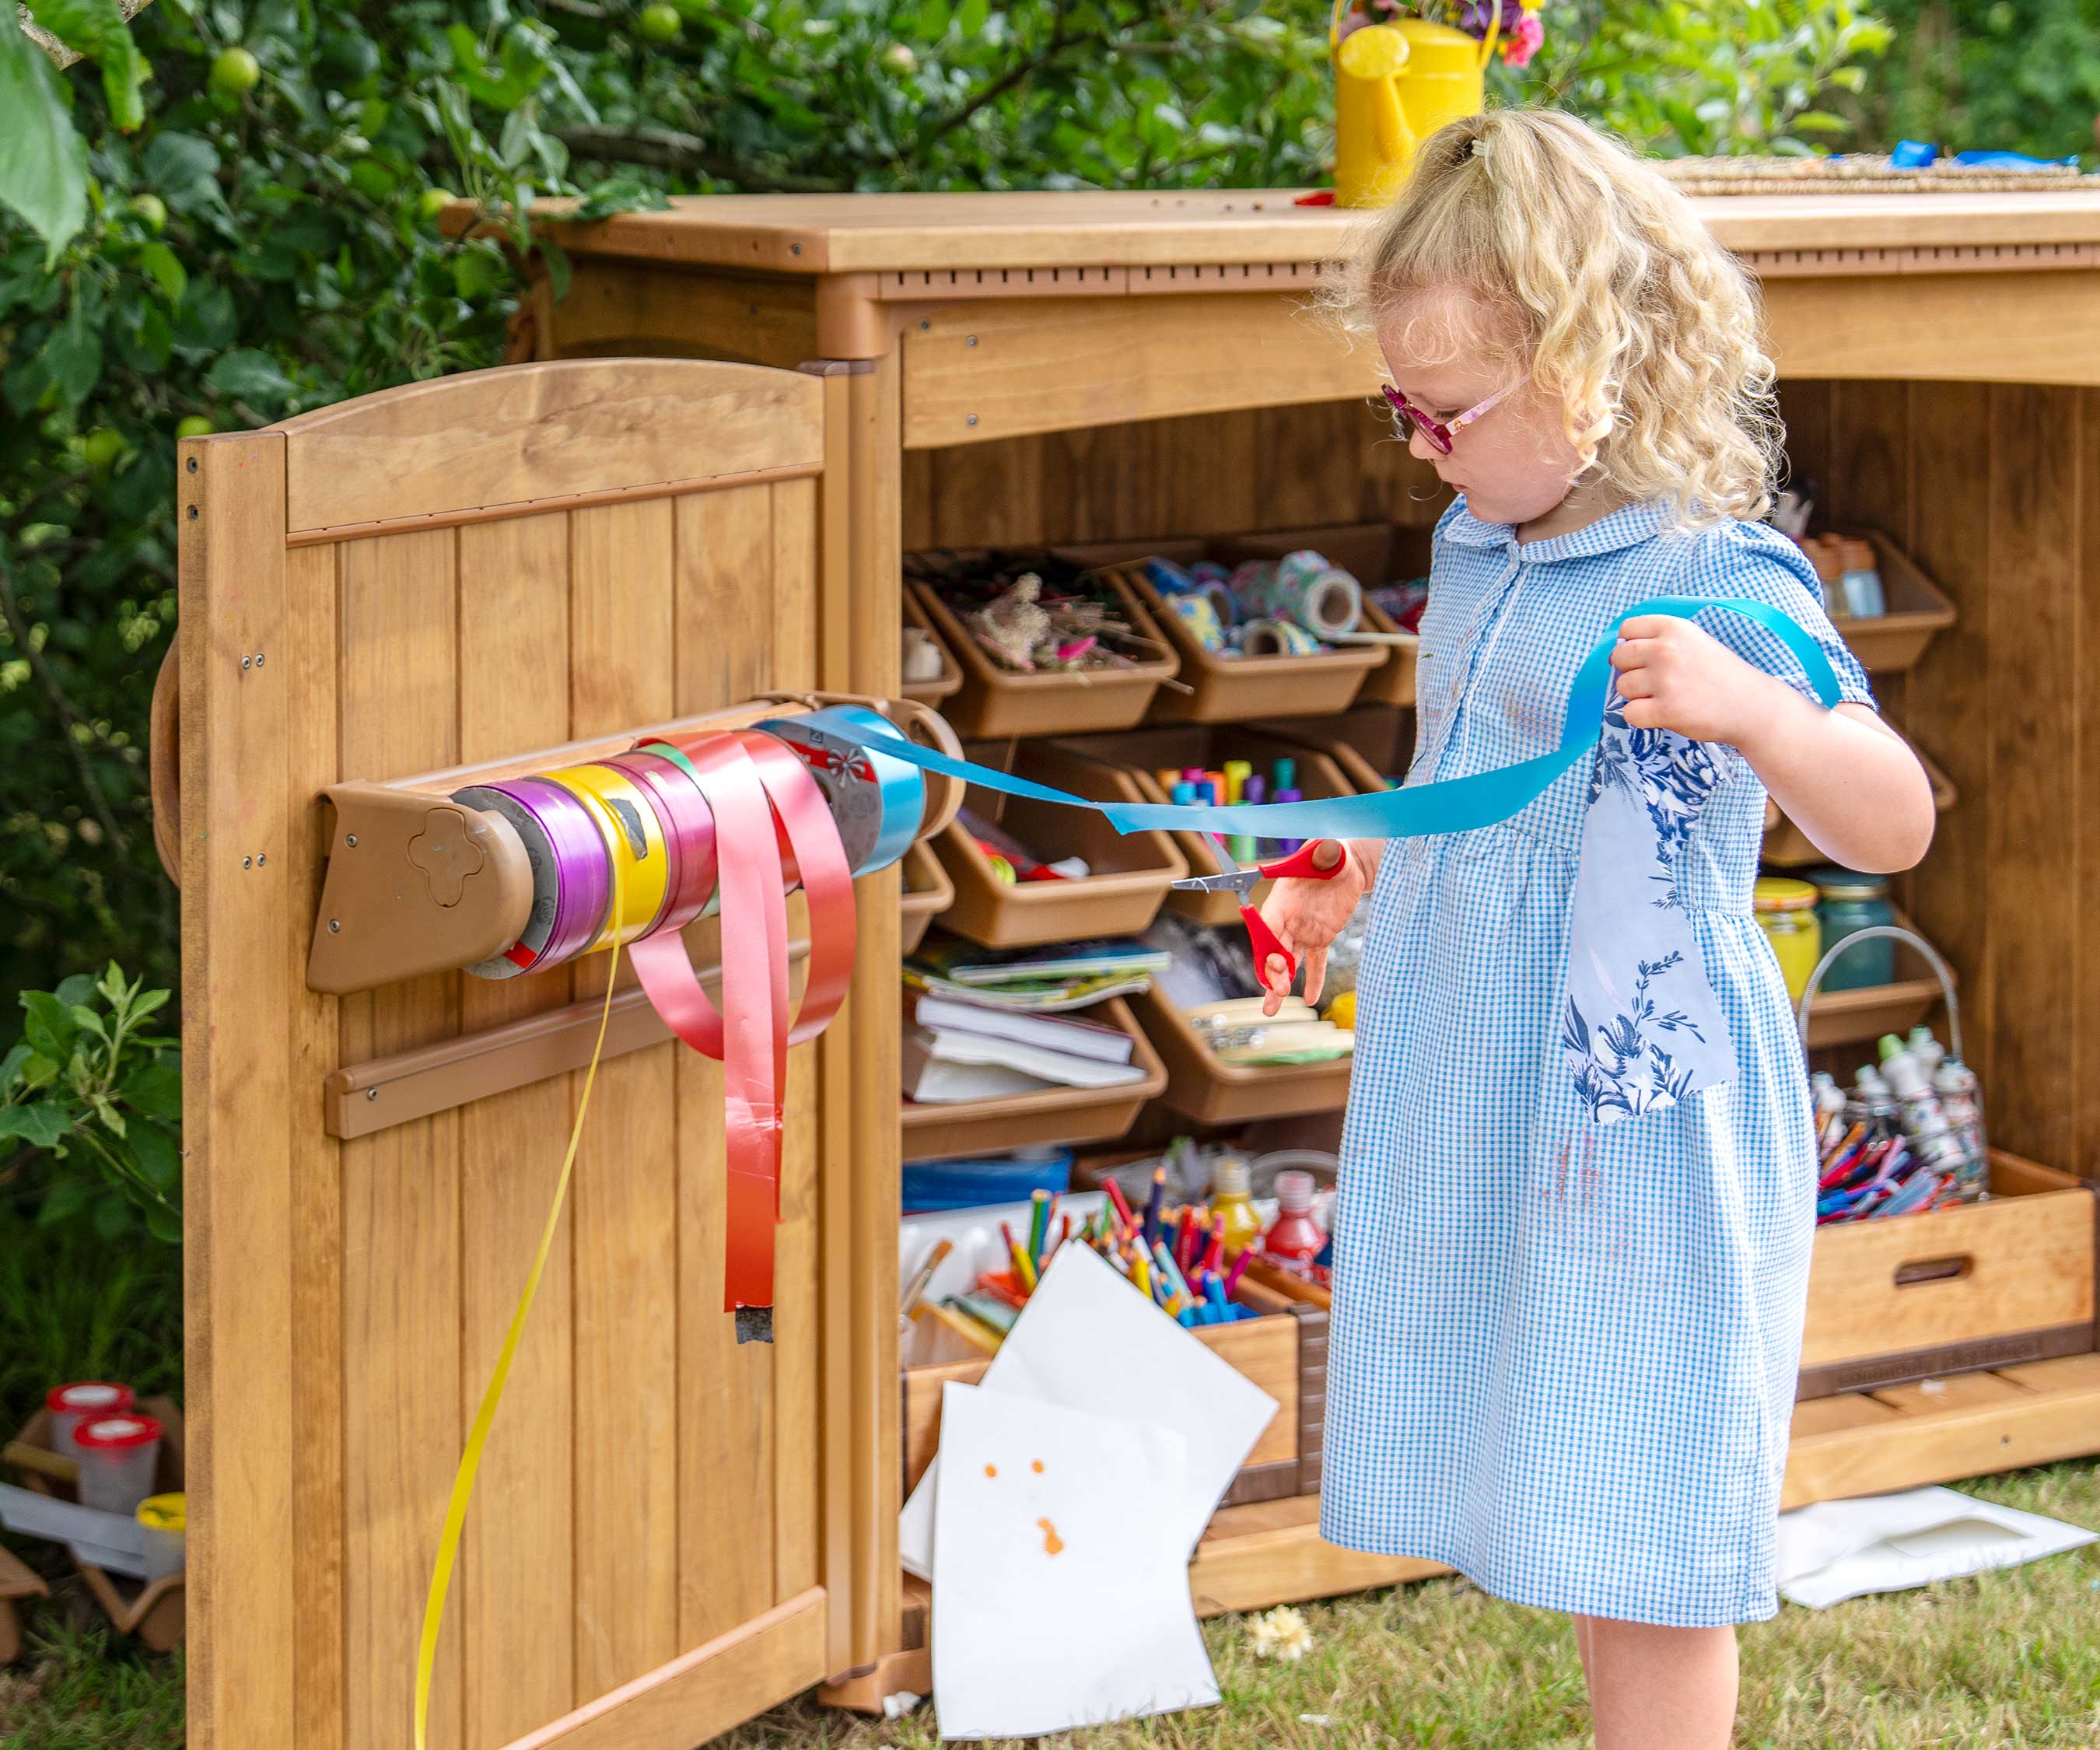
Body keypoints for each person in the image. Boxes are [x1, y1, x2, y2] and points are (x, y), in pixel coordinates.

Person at [1258, 109, 1935, 1749]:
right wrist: (1369, 864)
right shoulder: (1480, 544)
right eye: (1399, 405)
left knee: (1649, 1539)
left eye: (1449, 409)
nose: (1417, 443)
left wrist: (1762, 717)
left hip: (1643, 1132)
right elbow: (1474, 785)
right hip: (1500, 1101)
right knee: (1567, 1468)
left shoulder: (1721, 577)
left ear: (1601, 364)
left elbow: (1893, 818)